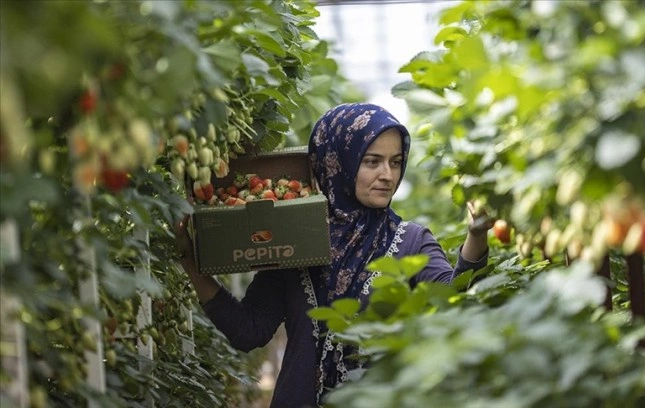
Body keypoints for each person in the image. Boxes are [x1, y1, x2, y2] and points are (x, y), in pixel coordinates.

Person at [176, 103, 492, 407]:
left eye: (395, 162)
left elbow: (453, 299)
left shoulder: (410, 241)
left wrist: (476, 237)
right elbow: (248, 331)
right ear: (337, 162)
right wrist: (191, 262)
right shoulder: (297, 241)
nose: (388, 175)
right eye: (372, 161)